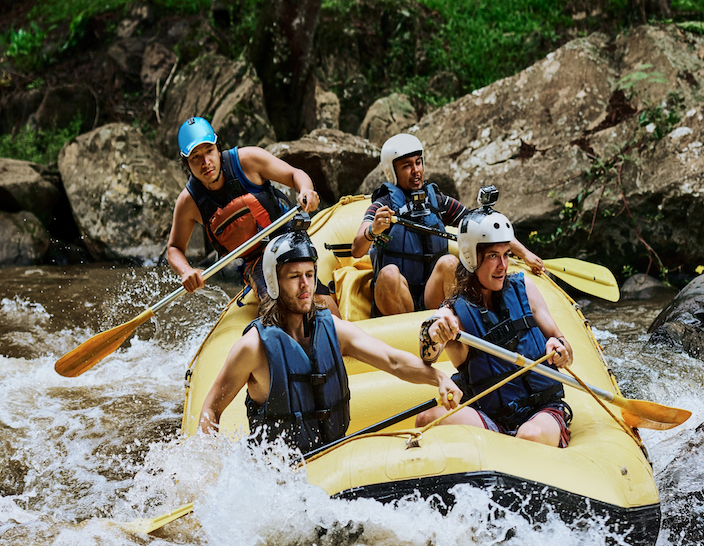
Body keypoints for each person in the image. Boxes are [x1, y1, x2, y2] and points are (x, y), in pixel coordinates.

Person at [199, 230, 462, 453]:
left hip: (332, 458)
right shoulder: (253, 347)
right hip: (279, 476)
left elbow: (393, 360)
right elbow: (211, 408)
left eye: (310, 274)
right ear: (274, 281)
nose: (306, 285)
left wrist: (439, 379)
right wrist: (209, 468)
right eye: (294, 276)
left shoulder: (332, 329)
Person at [415, 206, 574, 448]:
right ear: (471, 258)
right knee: (427, 420)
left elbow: (564, 346)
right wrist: (434, 333)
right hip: (491, 420)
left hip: (543, 410)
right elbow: (429, 348)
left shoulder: (525, 289)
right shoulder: (454, 313)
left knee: (529, 436)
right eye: (493, 256)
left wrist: (559, 348)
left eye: (506, 255)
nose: (503, 265)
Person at [352, 133, 543, 316]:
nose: (416, 170)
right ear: (392, 171)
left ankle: (448, 323)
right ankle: (408, 335)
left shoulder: (438, 201)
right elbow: (357, 250)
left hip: (432, 294)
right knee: (388, 274)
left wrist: (525, 254)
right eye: (407, 166)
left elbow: (485, 227)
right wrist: (373, 230)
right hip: (397, 296)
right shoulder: (382, 206)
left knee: (450, 262)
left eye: (418, 162)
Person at [166, 116, 337, 314]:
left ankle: (338, 334)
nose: (206, 162)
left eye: (209, 151)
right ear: (186, 163)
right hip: (255, 260)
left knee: (312, 292)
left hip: (288, 237)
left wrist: (306, 190)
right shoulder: (189, 202)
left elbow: (294, 174)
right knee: (274, 307)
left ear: (218, 148)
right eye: (195, 157)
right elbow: (174, 248)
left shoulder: (247, 160)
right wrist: (186, 271)